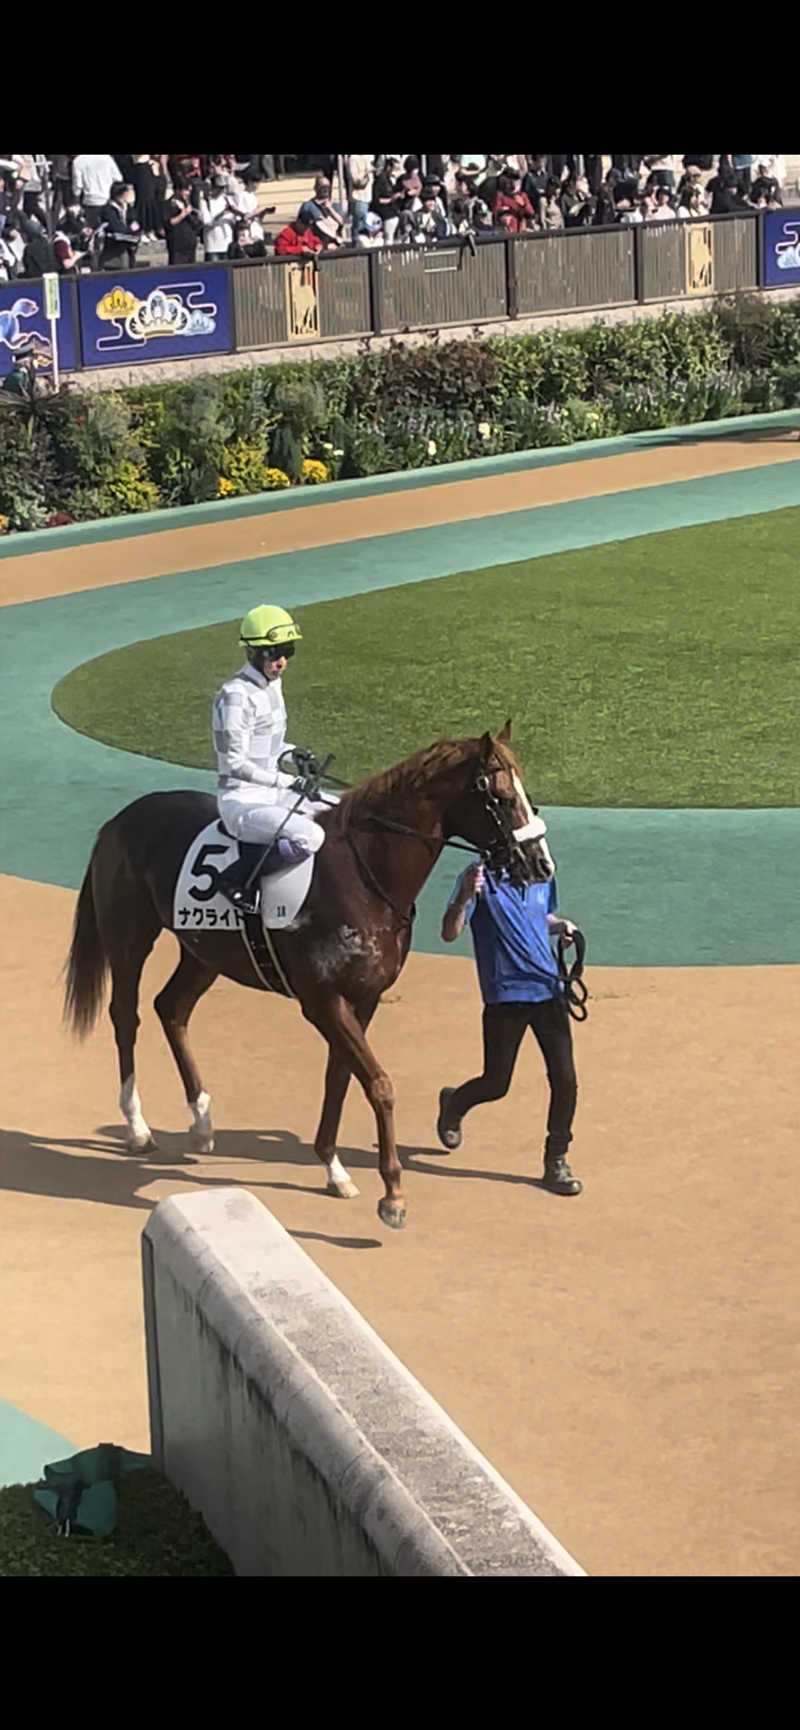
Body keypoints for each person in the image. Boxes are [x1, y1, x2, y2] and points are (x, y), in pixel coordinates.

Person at [436, 858, 583, 1196]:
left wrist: (558, 926)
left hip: (549, 990)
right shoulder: (478, 877)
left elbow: (539, 915)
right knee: (496, 1083)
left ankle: (556, 1161)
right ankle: (455, 1104)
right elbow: (449, 933)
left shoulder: (542, 871)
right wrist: (461, 897)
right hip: (506, 996)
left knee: (565, 1080)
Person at [212, 605, 327, 914]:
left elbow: (267, 748)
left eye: (287, 651)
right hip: (241, 802)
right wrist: (285, 779)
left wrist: (293, 754)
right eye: (274, 653)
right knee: (310, 836)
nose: (282, 661)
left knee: (342, 811)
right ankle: (236, 879)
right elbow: (234, 763)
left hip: (274, 794)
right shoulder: (234, 696)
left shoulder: (274, 686)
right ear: (252, 652)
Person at [98, 183, 140, 270]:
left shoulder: (127, 207)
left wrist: (134, 229)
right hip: (114, 248)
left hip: (128, 247)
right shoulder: (108, 210)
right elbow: (116, 228)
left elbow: (135, 222)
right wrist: (129, 230)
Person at [72, 152, 121, 227]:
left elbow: (77, 187)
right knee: (114, 228)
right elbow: (118, 178)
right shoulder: (107, 158)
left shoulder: (78, 161)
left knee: (91, 231)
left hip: (89, 202)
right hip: (107, 200)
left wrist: (76, 201)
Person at [163, 175, 201, 265]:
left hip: (190, 244)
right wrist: (182, 214)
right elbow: (169, 223)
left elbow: (196, 223)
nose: (187, 193)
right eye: (186, 190)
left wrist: (192, 212)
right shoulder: (169, 204)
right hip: (177, 245)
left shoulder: (188, 203)